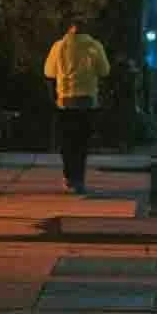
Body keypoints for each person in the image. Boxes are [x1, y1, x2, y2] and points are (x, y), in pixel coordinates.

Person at [43, 21, 110, 193]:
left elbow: (48, 72)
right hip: (87, 100)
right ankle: (79, 178)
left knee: (67, 141)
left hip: (65, 100)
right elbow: (104, 71)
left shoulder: (58, 46)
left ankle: (68, 176)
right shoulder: (94, 47)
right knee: (82, 142)